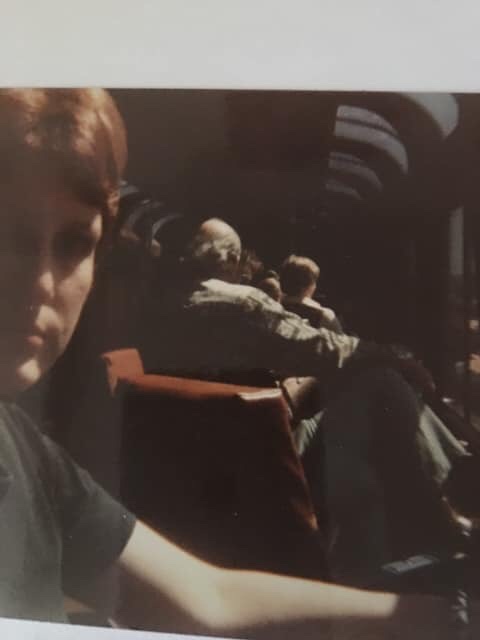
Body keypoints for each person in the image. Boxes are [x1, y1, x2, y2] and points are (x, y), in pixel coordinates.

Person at [0, 87, 473, 638]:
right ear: (230, 260)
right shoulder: (243, 304)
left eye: (74, 244)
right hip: (259, 451)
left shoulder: (28, 447)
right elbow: (329, 350)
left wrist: (456, 619)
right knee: (380, 386)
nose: (41, 283)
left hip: (184, 458)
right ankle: (441, 509)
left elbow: (206, 596)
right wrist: (387, 359)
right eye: (7, 234)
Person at [280, 254, 342, 332]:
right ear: (309, 285)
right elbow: (340, 339)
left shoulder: (271, 307)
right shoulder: (324, 315)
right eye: (314, 281)